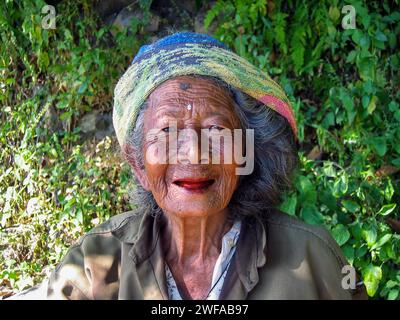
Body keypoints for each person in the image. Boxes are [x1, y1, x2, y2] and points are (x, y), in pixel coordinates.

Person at [11, 32, 366, 300]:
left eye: (215, 129)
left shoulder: (312, 256)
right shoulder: (96, 263)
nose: (194, 154)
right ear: (138, 164)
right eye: (166, 131)